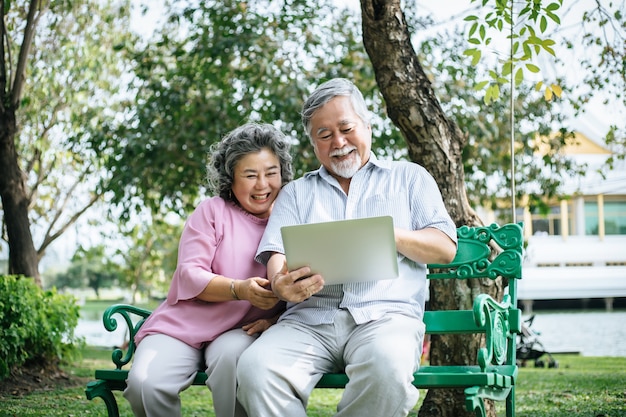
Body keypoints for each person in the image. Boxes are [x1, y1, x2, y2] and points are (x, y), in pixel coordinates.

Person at [236, 78, 458, 417]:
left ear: (367, 126)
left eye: (346, 128)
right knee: (256, 368)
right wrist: (281, 283)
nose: (338, 142)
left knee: (388, 370)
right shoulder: (296, 193)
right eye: (324, 135)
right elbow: (276, 255)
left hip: (385, 319)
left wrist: (386, 235)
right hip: (308, 321)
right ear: (313, 144)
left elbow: (445, 248)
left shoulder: (410, 178)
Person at [123, 122, 293, 417]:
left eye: (271, 173)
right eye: (250, 175)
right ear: (231, 179)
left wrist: (277, 320)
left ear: (283, 173)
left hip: (242, 331)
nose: (262, 185)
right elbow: (189, 273)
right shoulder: (212, 211)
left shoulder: (295, 218)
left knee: (233, 361)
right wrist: (239, 289)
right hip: (181, 327)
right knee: (144, 385)